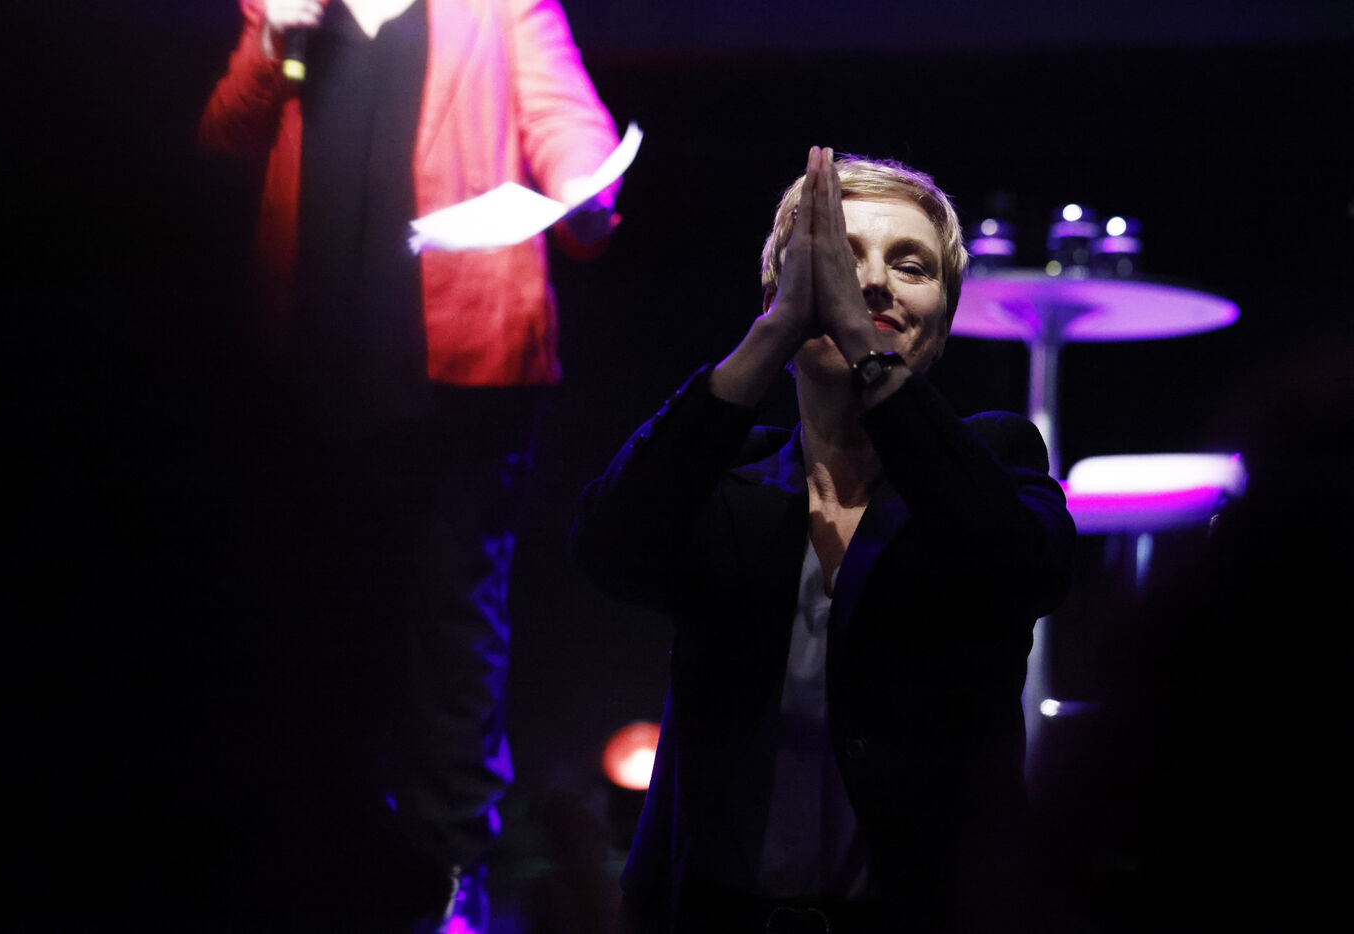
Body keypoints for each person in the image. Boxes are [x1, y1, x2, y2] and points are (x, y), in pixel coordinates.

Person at [570, 148, 1075, 933]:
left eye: (909, 266)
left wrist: (865, 351)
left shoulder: (994, 459)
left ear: (942, 323)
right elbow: (608, 550)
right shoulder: (723, 476)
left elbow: (1022, 571)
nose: (867, 284)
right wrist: (773, 333)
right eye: (838, 262)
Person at [198, 1, 622, 930]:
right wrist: (269, 47)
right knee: (315, 627)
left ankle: (454, 875)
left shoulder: (502, 6)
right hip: (312, 363)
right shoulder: (282, 8)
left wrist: (585, 187)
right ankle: (322, 867)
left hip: (464, 376)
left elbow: (565, 121)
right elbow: (222, 148)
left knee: (454, 625)